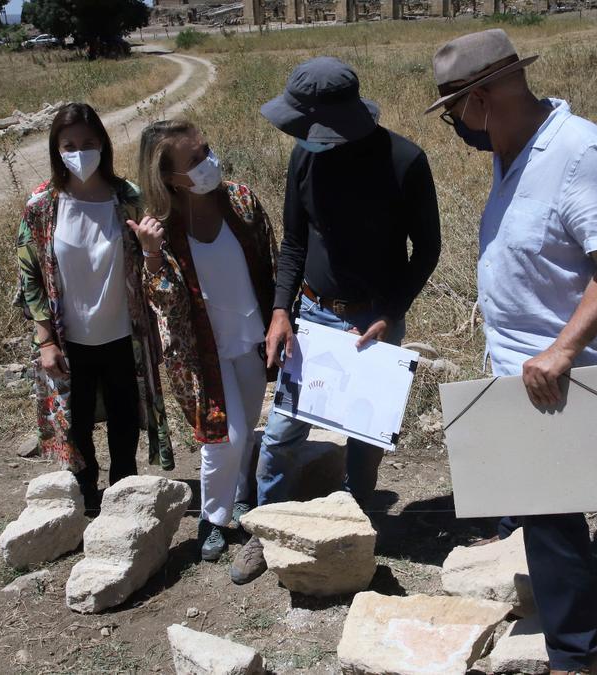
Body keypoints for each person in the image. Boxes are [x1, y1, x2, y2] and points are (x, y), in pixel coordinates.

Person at [425, 29, 597, 675]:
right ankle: (551, 603)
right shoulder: (512, 148)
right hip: (516, 368)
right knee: (536, 508)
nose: (455, 127)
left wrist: (563, 349)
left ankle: (576, 658)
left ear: (484, 98)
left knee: (552, 517)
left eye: (455, 111)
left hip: (557, 374)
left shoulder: (578, 152)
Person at [228, 56, 442, 584]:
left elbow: (428, 249)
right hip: (314, 316)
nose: (302, 136)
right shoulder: (305, 158)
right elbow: (295, 242)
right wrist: (281, 310)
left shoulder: (404, 161)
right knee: (280, 433)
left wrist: (392, 314)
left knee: (366, 443)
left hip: (375, 325)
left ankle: (353, 525)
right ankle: (268, 531)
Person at [129, 119, 278, 562]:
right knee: (222, 436)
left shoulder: (240, 200)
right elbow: (166, 306)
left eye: (205, 151)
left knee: (246, 428)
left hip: (250, 335)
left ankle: (242, 494)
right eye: (193, 161)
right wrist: (152, 255)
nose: (207, 163)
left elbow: (269, 259)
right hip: (201, 354)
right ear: (168, 177)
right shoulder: (161, 229)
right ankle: (212, 518)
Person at [16, 102, 174, 514]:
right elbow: (29, 273)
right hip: (70, 340)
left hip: (124, 333)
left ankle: (123, 487)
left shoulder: (128, 199)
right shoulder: (42, 206)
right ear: (56, 149)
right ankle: (86, 491)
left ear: (103, 144)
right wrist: (44, 338)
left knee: (126, 415)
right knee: (77, 419)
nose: (79, 151)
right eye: (69, 144)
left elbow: (154, 257)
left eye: (88, 142)